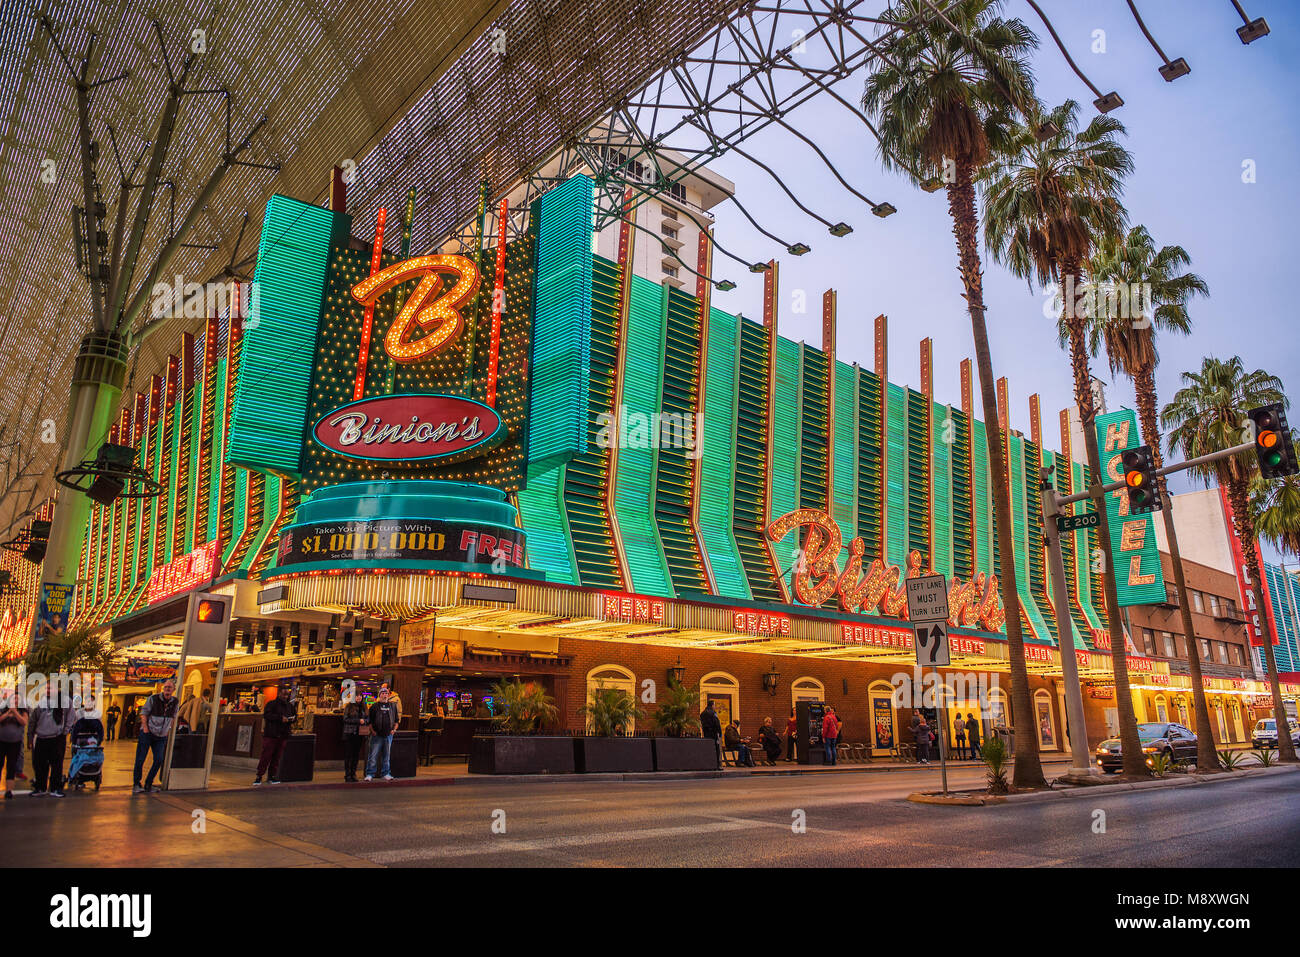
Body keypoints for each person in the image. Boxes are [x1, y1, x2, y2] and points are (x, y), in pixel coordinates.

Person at [28, 686, 76, 797]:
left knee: (57, 765)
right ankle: (40, 787)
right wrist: (30, 737)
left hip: (57, 738)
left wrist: (65, 731)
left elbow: (71, 715)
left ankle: (55, 788)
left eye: (51, 688)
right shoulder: (40, 703)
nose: (48, 690)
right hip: (41, 737)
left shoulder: (64, 701)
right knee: (40, 765)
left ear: (57, 689)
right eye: (47, 688)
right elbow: (32, 721)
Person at [133, 680, 178, 793]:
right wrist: (145, 728)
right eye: (166, 687)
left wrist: (169, 730)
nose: (167, 689)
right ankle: (136, 784)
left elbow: (173, 717)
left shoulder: (175, 702)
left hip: (161, 735)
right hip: (148, 733)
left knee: (159, 759)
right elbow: (144, 713)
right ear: (163, 688)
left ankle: (149, 783)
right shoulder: (153, 699)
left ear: (173, 690)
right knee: (140, 758)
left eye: (170, 687)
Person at [255, 691, 296, 785]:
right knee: (266, 756)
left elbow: (295, 716)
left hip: (283, 734)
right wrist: (280, 718)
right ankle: (259, 776)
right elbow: (266, 715)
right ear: (279, 694)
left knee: (277, 757)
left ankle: (272, 776)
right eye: (284, 694)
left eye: (286, 695)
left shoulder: (290, 706)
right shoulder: (271, 704)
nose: (285, 696)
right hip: (271, 734)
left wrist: (292, 719)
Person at [365, 687, 400, 781]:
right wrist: (373, 732)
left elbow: (396, 721)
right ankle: (370, 774)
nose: (385, 695)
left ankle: (386, 773)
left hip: (388, 735)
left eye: (386, 693)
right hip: (376, 735)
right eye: (383, 693)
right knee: (372, 756)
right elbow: (369, 721)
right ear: (379, 695)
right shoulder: (374, 707)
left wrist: (394, 730)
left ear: (388, 695)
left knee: (386, 756)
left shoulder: (393, 706)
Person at [0, 687, 28, 800]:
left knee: (11, 766)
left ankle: (9, 790)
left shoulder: (23, 711)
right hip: (1, 741)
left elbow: (24, 721)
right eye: (13, 699)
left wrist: (15, 711)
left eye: (17, 699)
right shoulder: (2, 709)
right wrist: (8, 712)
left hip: (15, 743)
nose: (15, 701)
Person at [341, 696, 367, 782]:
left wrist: (365, 721)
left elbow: (368, 718)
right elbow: (345, 719)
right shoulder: (349, 706)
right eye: (357, 695)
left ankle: (353, 774)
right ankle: (347, 775)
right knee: (348, 755)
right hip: (350, 733)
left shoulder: (364, 706)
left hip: (360, 734)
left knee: (356, 755)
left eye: (360, 695)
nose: (359, 697)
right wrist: (358, 721)